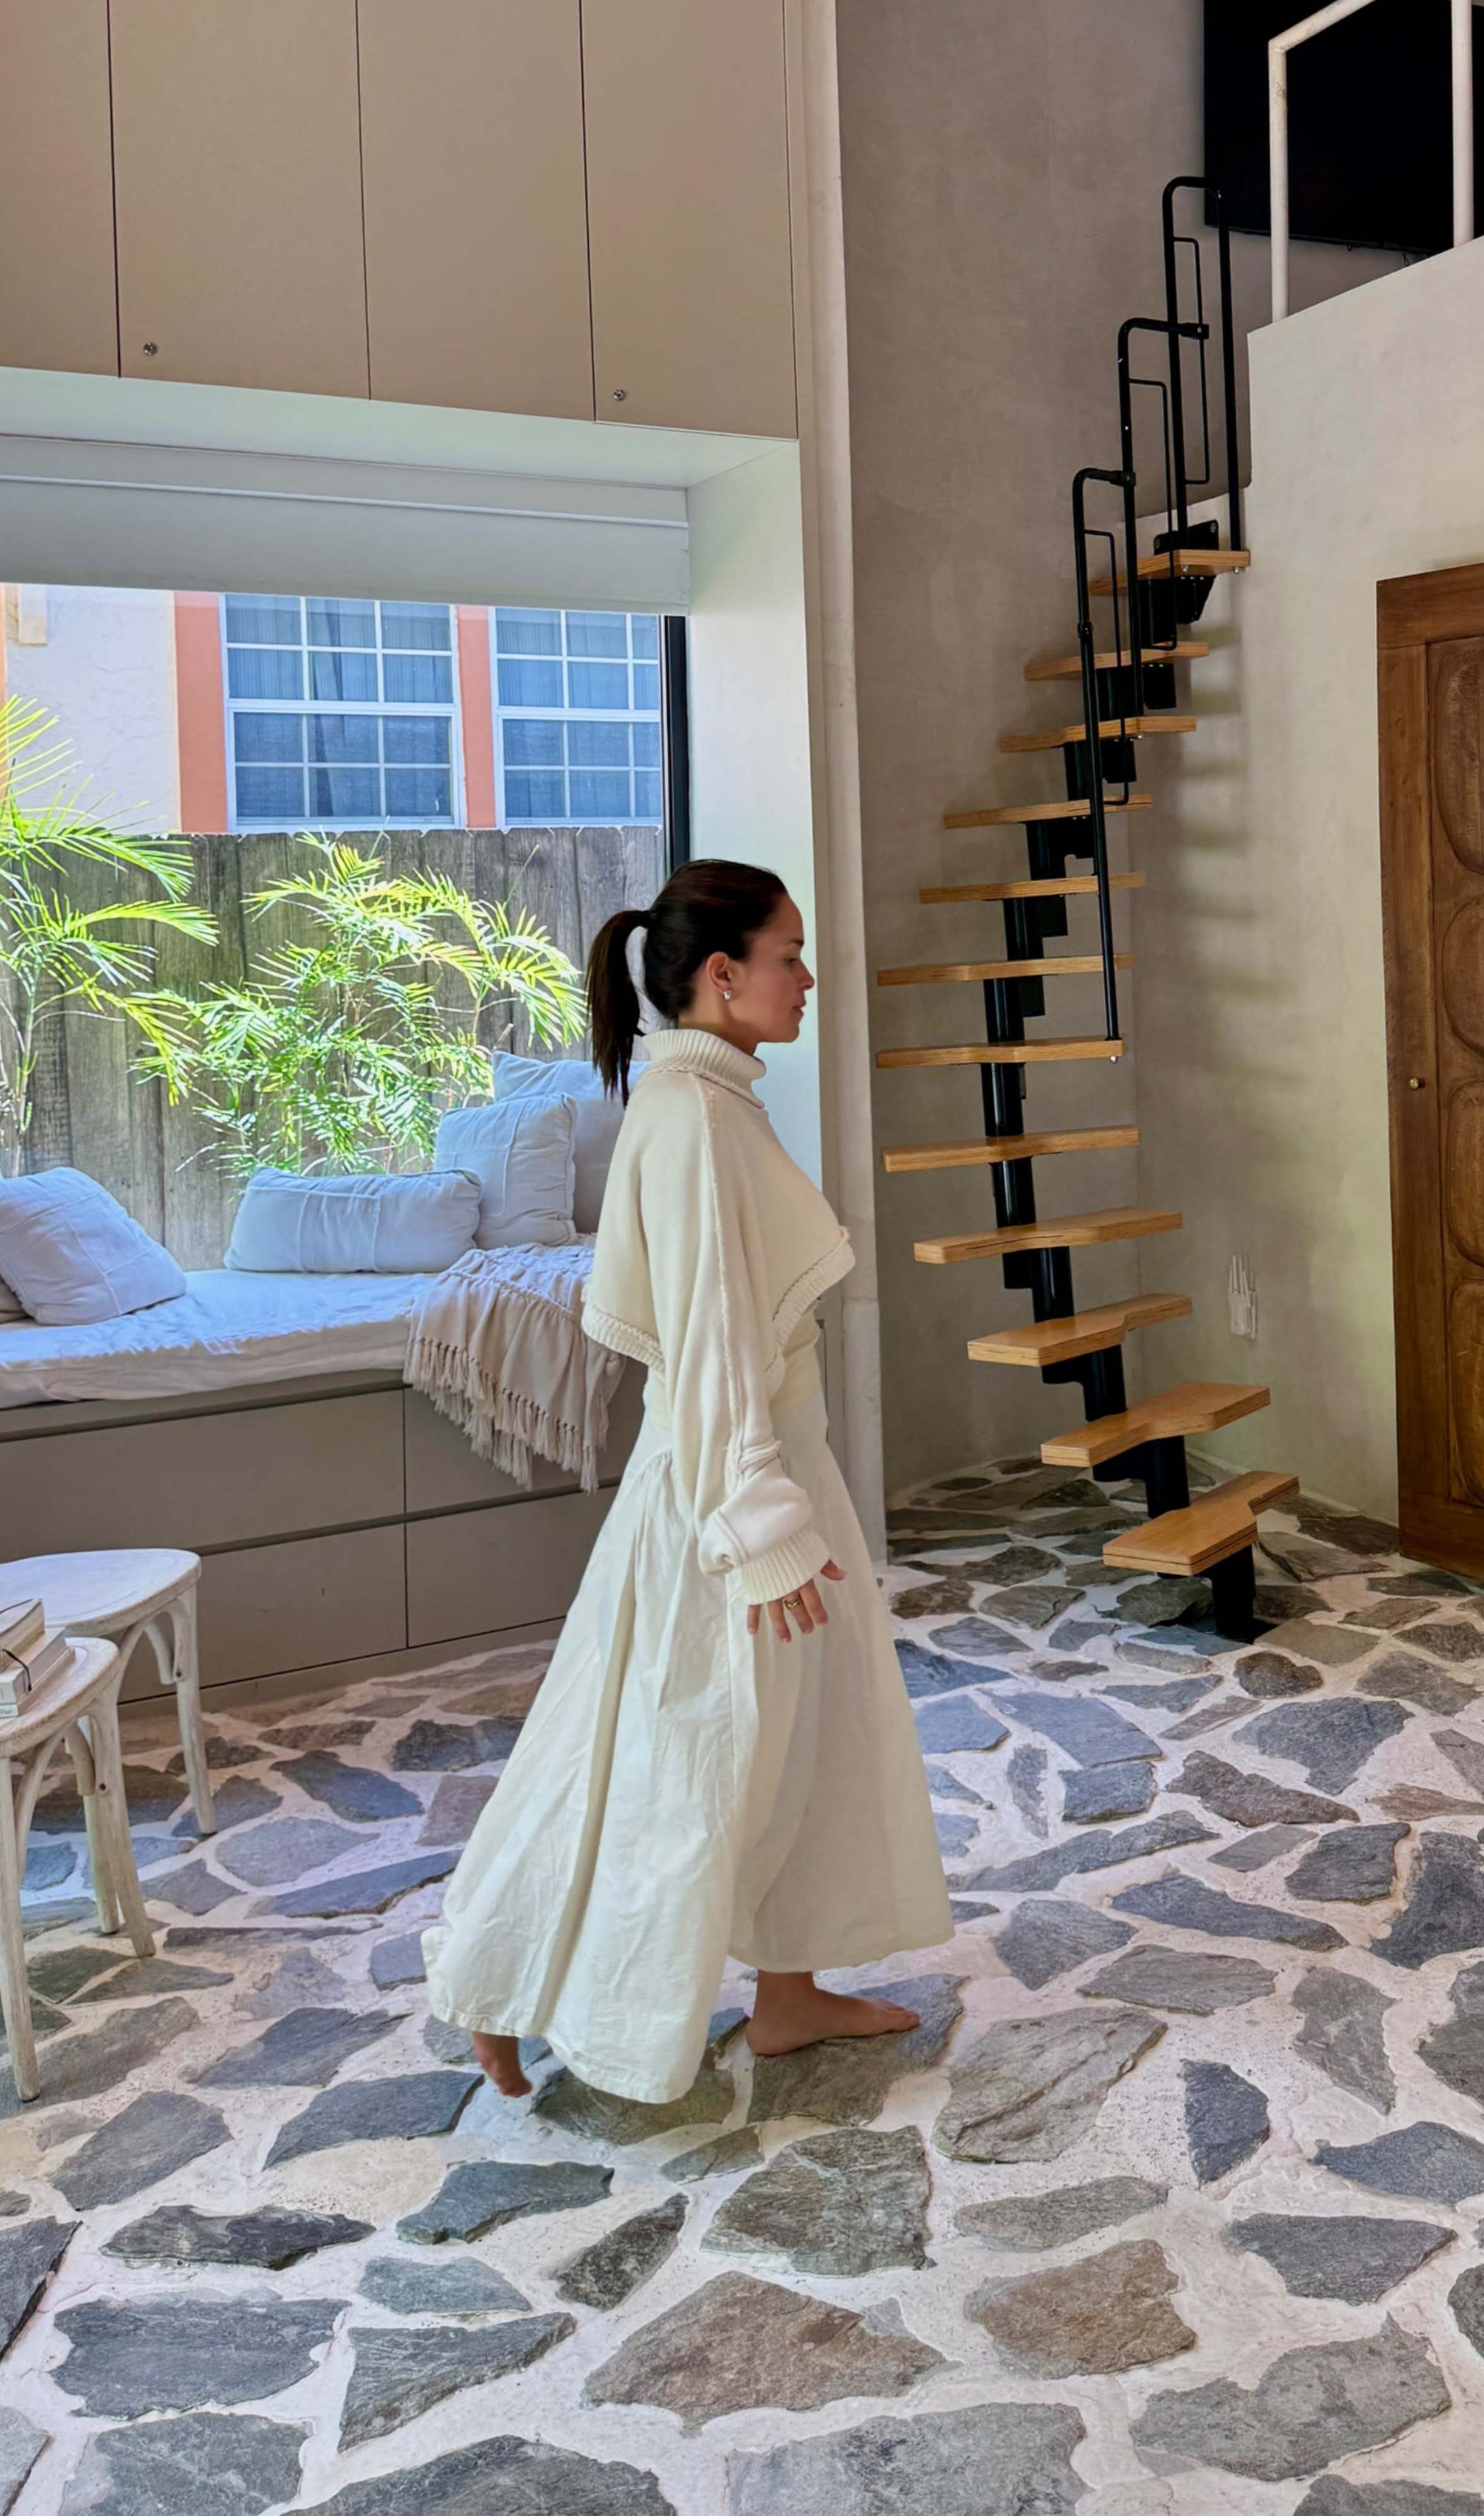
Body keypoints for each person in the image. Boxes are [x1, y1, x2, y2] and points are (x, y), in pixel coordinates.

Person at [423, 860, 950, 2099]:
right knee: (676, 1753)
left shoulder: (702, 1096)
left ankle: (790, 1993)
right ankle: (507, 1983)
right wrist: (761, 1524)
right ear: (724, 976)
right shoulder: (700, 1117)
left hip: (756, 1465)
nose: (808, 978)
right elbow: (713, 1334)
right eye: (790, 954)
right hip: (729, 1485)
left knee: (807, 1741)